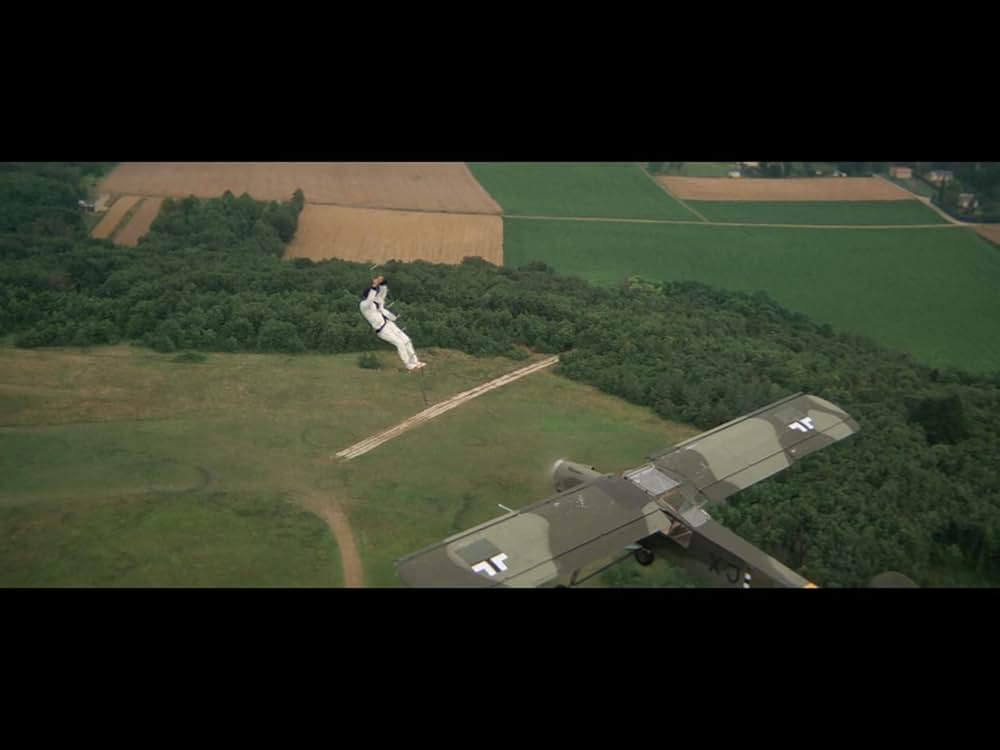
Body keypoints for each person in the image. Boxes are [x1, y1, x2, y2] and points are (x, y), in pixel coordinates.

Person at [360, 275, 425, 371]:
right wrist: (374, 285)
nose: (375, 294)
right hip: (382, 330)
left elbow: (383, 290)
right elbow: (370, 300)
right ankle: (408, 364)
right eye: (373, 293)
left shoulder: (377, 300)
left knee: (407, 340)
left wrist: (382, 281)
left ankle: (415, 361)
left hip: (389, 323)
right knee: (400, 343)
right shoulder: (363, 305)